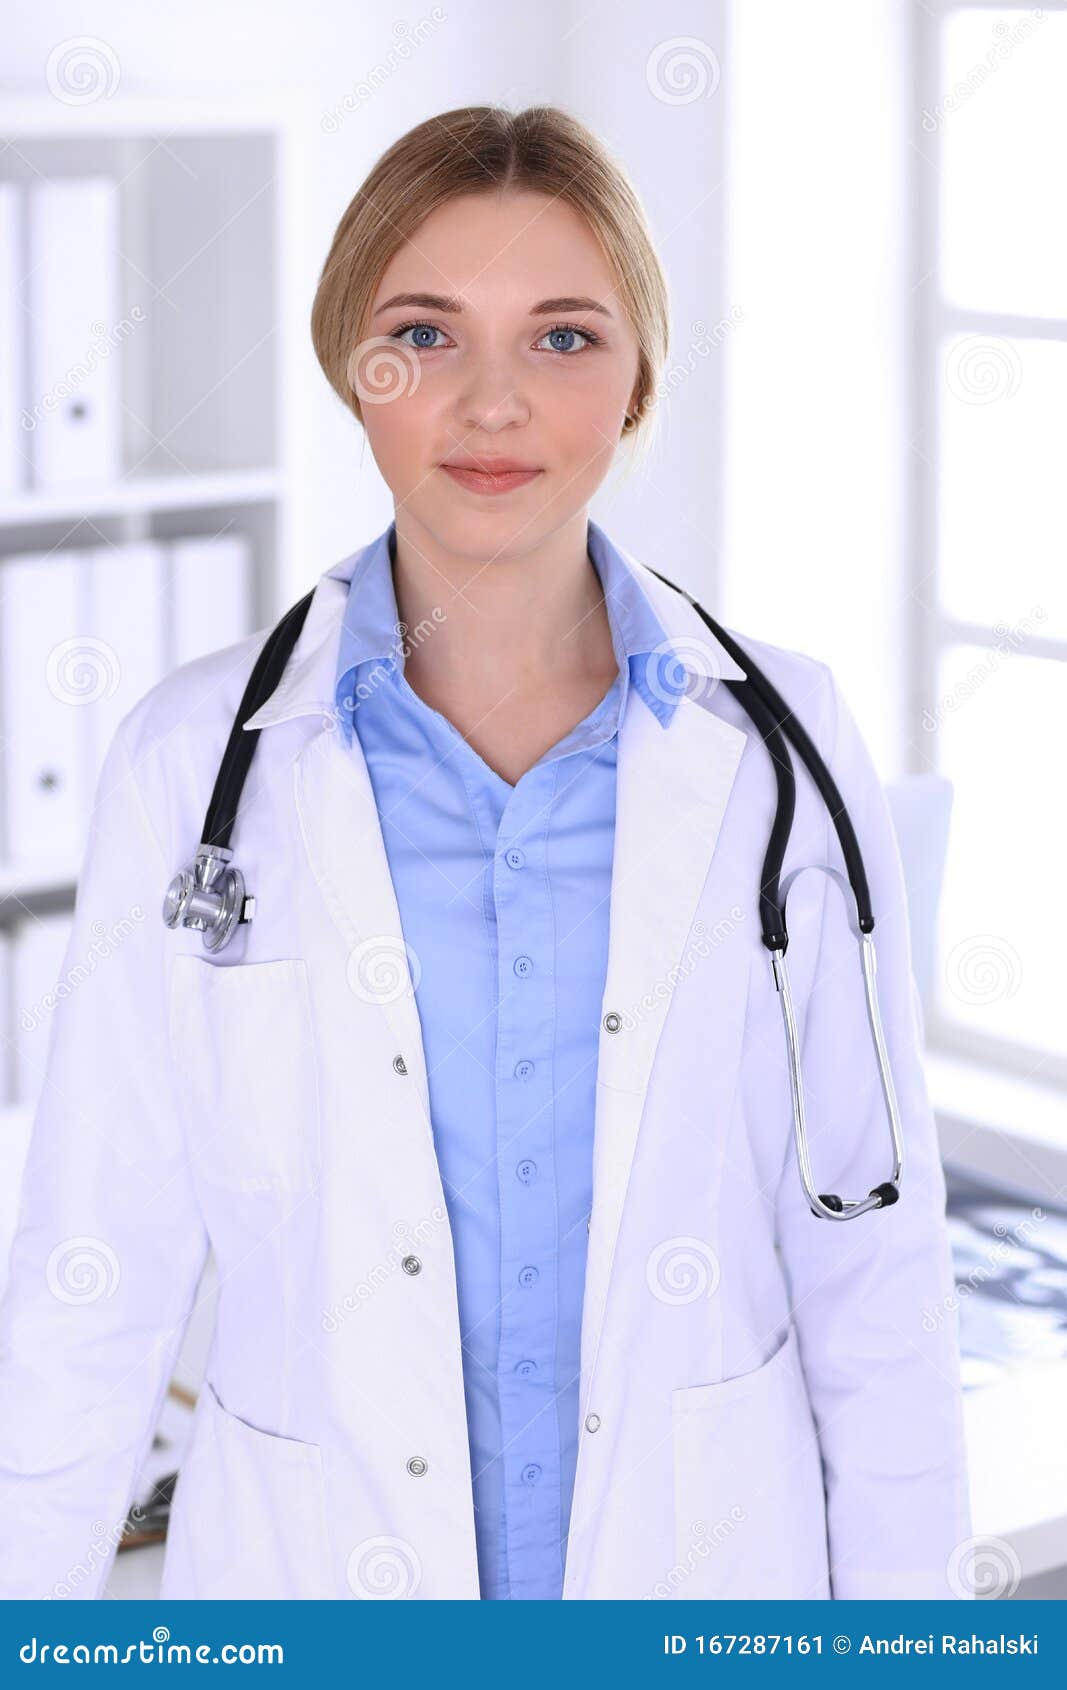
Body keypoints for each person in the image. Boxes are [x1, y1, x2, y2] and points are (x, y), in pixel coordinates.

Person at [0, 105, 972, 1602]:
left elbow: (874, 1280)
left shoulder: (787, 753)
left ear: (642, 373)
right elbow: (96, 1279)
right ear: (353, 369)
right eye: (426, 335)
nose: (495, 404)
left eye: (565, 337)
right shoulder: (191, 764)